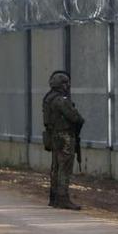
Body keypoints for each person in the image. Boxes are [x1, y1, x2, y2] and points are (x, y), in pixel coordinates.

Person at [42, 70, 84, 210]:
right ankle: (63, 198)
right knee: (64, 167)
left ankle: (54, 198)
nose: (67, 86)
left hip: (54, 135)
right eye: (66, 84)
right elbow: (75, 118)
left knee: (56, 167)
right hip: (64, 136)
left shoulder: (48, 98)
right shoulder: (61, 100)